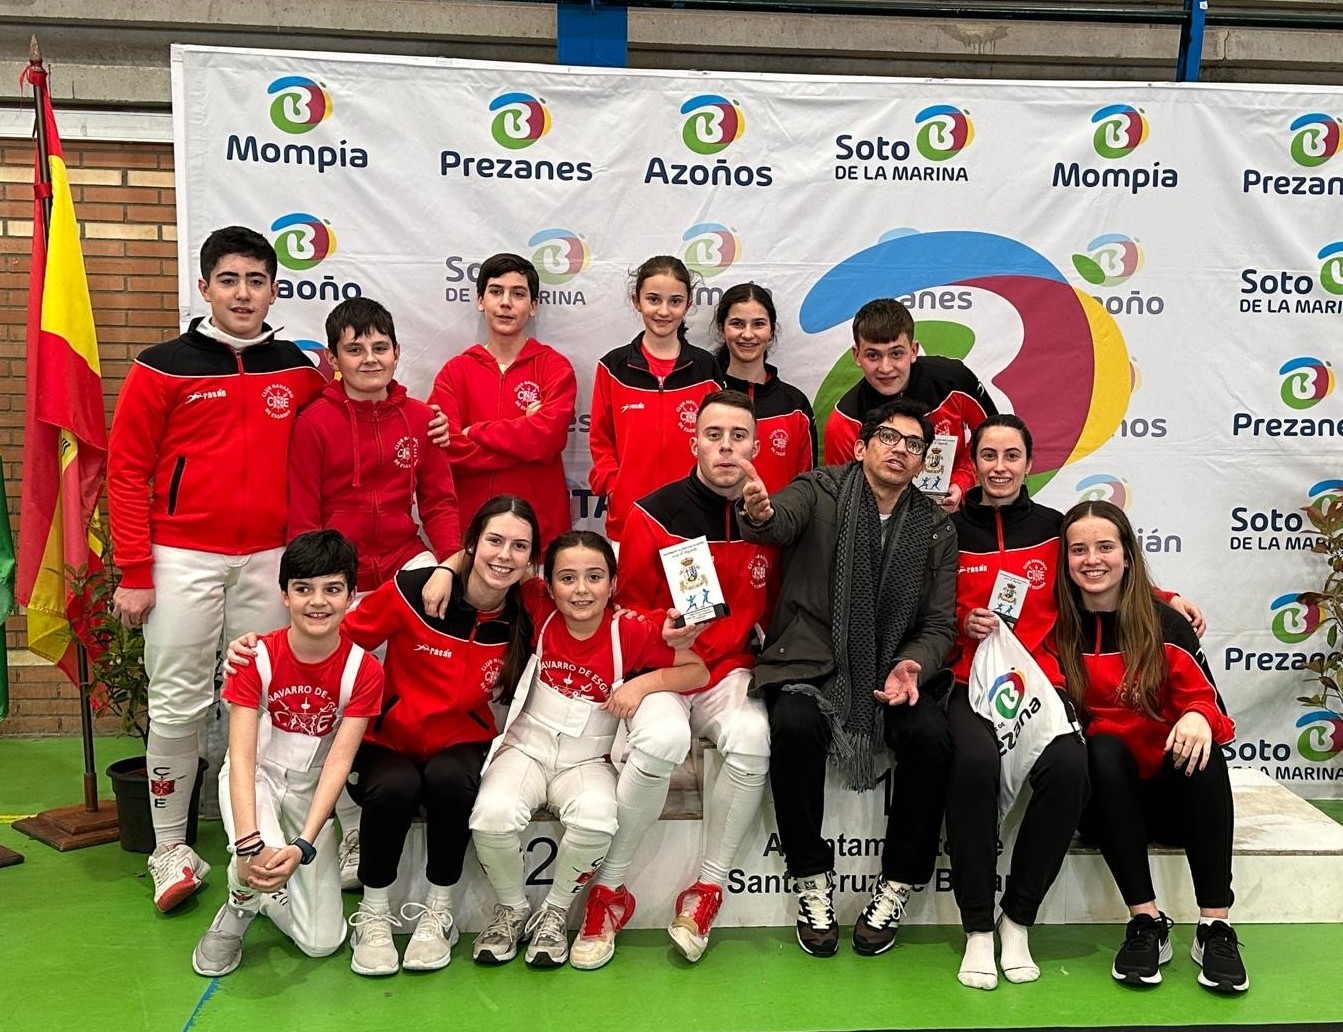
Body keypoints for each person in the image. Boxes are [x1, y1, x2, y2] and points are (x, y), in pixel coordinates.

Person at [108, 225, 326, 912]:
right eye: (228, 280)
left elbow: (341, 430)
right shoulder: (160, 365)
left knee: (255, 703)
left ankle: (252, 840)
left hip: (268, 559)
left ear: (273, 289)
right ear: (203, 288)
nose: (242, 293)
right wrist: (136, 570)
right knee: (176, 701)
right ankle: (169, 849)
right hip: (181, 557)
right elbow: (125, 470)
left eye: (255, 280)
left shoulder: (296, 370)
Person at [228, 496, 539, 975]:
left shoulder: (528, 607)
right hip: (389, 736)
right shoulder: (417, 590)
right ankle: (373, 912)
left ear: (531, 558)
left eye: (520, 546)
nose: (505, 555)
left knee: (451, 781)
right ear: (472, 543)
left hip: (460, 738)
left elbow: (586, 596)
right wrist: (258, 650)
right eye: (494, 541)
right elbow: (335, 635)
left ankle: (439, 912)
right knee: (395, 786)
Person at [740, 398, 957, 958]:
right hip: (813, 661)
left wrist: (914, 665)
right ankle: (811, 880)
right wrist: (761, 512)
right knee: (793, 723)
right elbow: (777, 520)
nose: (900, 450)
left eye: (913, 445)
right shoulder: (822, 489)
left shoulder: (934, 528)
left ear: (923, 462)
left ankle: (897, 884)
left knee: (932, 738)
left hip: (893, 670)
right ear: (861, 446)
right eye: (888, 437)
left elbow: (938, 624)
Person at [571, 390, 778, 968]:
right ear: (695, 443)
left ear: (756, 448)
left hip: (728, 670)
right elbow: (626, 607)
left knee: (752, 737)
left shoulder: (771, 519)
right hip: (664, 668)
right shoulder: (653, 512)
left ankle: (706, 888)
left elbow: (776, 603)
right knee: (663, 740)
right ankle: (610, 892)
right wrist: (660, 629)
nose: (726, 448)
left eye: (739, 437)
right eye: (714, 436)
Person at [468, 531, 707, 969]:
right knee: (490, 817)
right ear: (548, 584)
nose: (581, 590)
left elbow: (696, 671)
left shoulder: (630, 628)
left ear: (613, 584)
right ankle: (511, 910)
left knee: (598, 820)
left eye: (594, 577)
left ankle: (555, 913)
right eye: (567, 578)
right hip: (526, 748)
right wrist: (447, 570)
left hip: (587, 758)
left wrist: (643, 683)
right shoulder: (537, 608)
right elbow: (490, 563)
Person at [287, 295, 462, 890]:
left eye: (379, 347)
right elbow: (304, 518)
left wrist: (448, 563)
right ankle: (352, 817)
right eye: (354, 349)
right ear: (334, 358)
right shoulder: (314, 422)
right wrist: (323, 591)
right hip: (340, 576)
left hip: (404, 566)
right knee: (337, 699)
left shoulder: (419, 419)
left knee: (403, 688)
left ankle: (411, 791)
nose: (369, 358)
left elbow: (438, 500)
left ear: (395, 351)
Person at [1053, 500, 1245, 993]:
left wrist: (1200, 717)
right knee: (1102, 747)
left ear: (1127, 556)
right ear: (1065, 561)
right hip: (1104, 803)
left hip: (1168, 798)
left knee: (1204, 750)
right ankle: (1146, 921)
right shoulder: (1055, 630)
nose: (1092, 559)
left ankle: (1214, 925)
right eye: (1078, 549)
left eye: (1104, 547)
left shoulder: (1165, 623)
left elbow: (1211, 705)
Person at [191, 531, 384, 977]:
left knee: (322, 943)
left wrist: (302, 846)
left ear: (351, 596)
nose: (318, 602)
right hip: (257, 778)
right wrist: (248, 842)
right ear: (284, 595)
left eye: (332, 589)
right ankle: (238, 909)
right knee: (257, 855)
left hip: (309, 794)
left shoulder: (364, 670)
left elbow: (337, 764)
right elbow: (240, 759)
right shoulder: (255, 656)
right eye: (303, 589)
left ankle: (265, 889)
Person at [429, 253, 576, 550]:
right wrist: (525, 434)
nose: (506, 302)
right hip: (474, 532)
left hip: (540, 533)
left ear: (533, 306)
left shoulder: (555, 368)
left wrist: (476, 432)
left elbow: (547, 440)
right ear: (481, 300)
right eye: (496, 292)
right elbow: (447, 451)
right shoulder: (455, 372)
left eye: (518, 294)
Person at [588, 255, 722, 543]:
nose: (663, 311)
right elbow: (601, 439)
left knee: (691, 590)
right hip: (628, 517)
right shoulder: (613, 367)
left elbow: (718, 439)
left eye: (675, 301)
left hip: (694, 520)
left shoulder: (706, 369)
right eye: (653, 299)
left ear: (688, 304)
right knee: (629, 590)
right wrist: (615, 485)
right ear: (637, 301)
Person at [823, 298, 995, 513]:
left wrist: (962, 480)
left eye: (896, 353)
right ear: (856, 355)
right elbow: (845, 497)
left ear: (913, 350)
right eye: (873, 355)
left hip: (957, 515)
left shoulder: (954, 380)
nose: (885, 368)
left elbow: (991, 436)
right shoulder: (845, 420)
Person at [711, 283, 816, 493]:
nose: (748, 335)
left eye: (758, 324)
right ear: (722, 328)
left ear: (771, 330)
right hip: (709, 525)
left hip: (780, 524)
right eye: (737, 324)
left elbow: (808, 489)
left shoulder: (795, 406)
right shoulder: (707, 396)